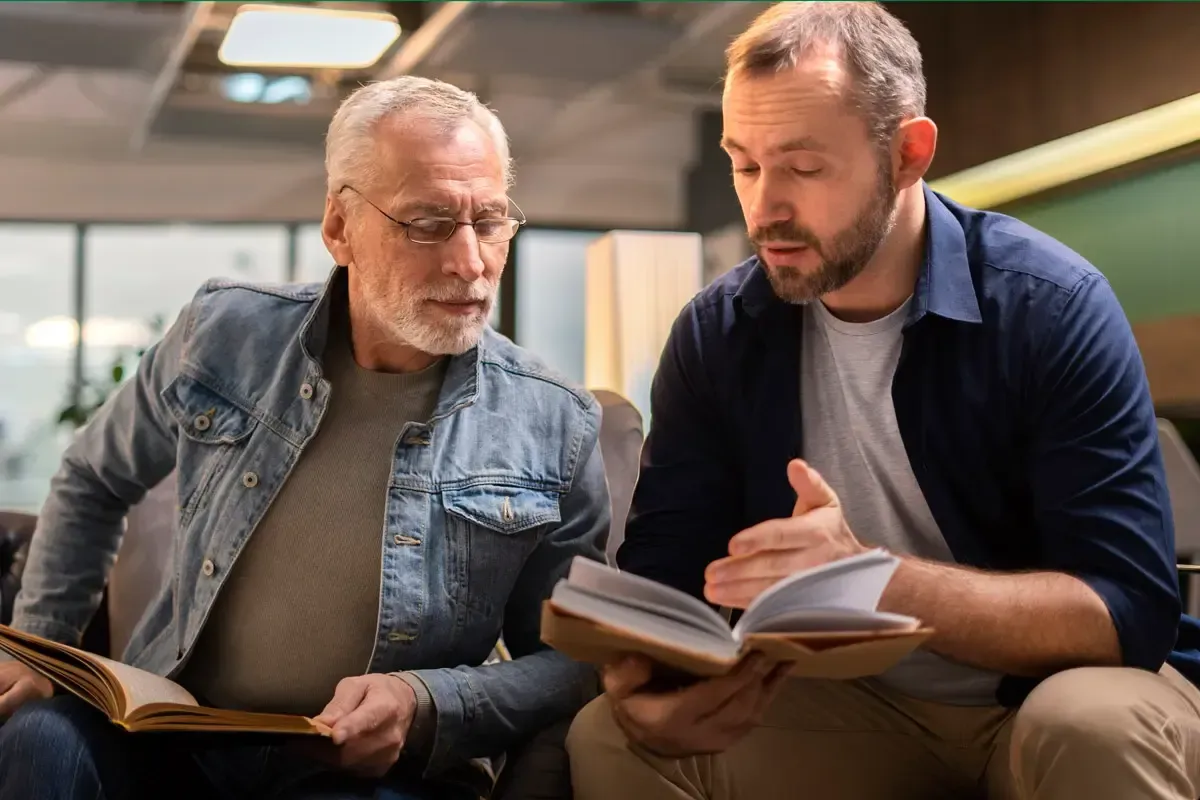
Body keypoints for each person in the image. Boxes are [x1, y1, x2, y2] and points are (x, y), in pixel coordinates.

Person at [566, 3, 1200, 798]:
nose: (764, 208)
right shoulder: (718, 334)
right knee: (610, 740)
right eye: (745, 165)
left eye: (804, 166)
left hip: (1047, 697)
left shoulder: (1052, 306)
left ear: (907, 154)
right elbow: (665, 579)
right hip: (860, 712)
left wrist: (873, 578)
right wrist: (648, 688)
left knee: (1090, 724)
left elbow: (1128, 613)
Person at [0, 75, 610, 800]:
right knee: (38, 741)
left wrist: (428, 704)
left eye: (490, 221)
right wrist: (44, 645)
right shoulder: (225, 334)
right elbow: (94, 479)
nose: (471, 263)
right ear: (338, 227)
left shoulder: (553, 421)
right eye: (428, 223)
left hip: (370, 771)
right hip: (173, 737)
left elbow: (576, 661)